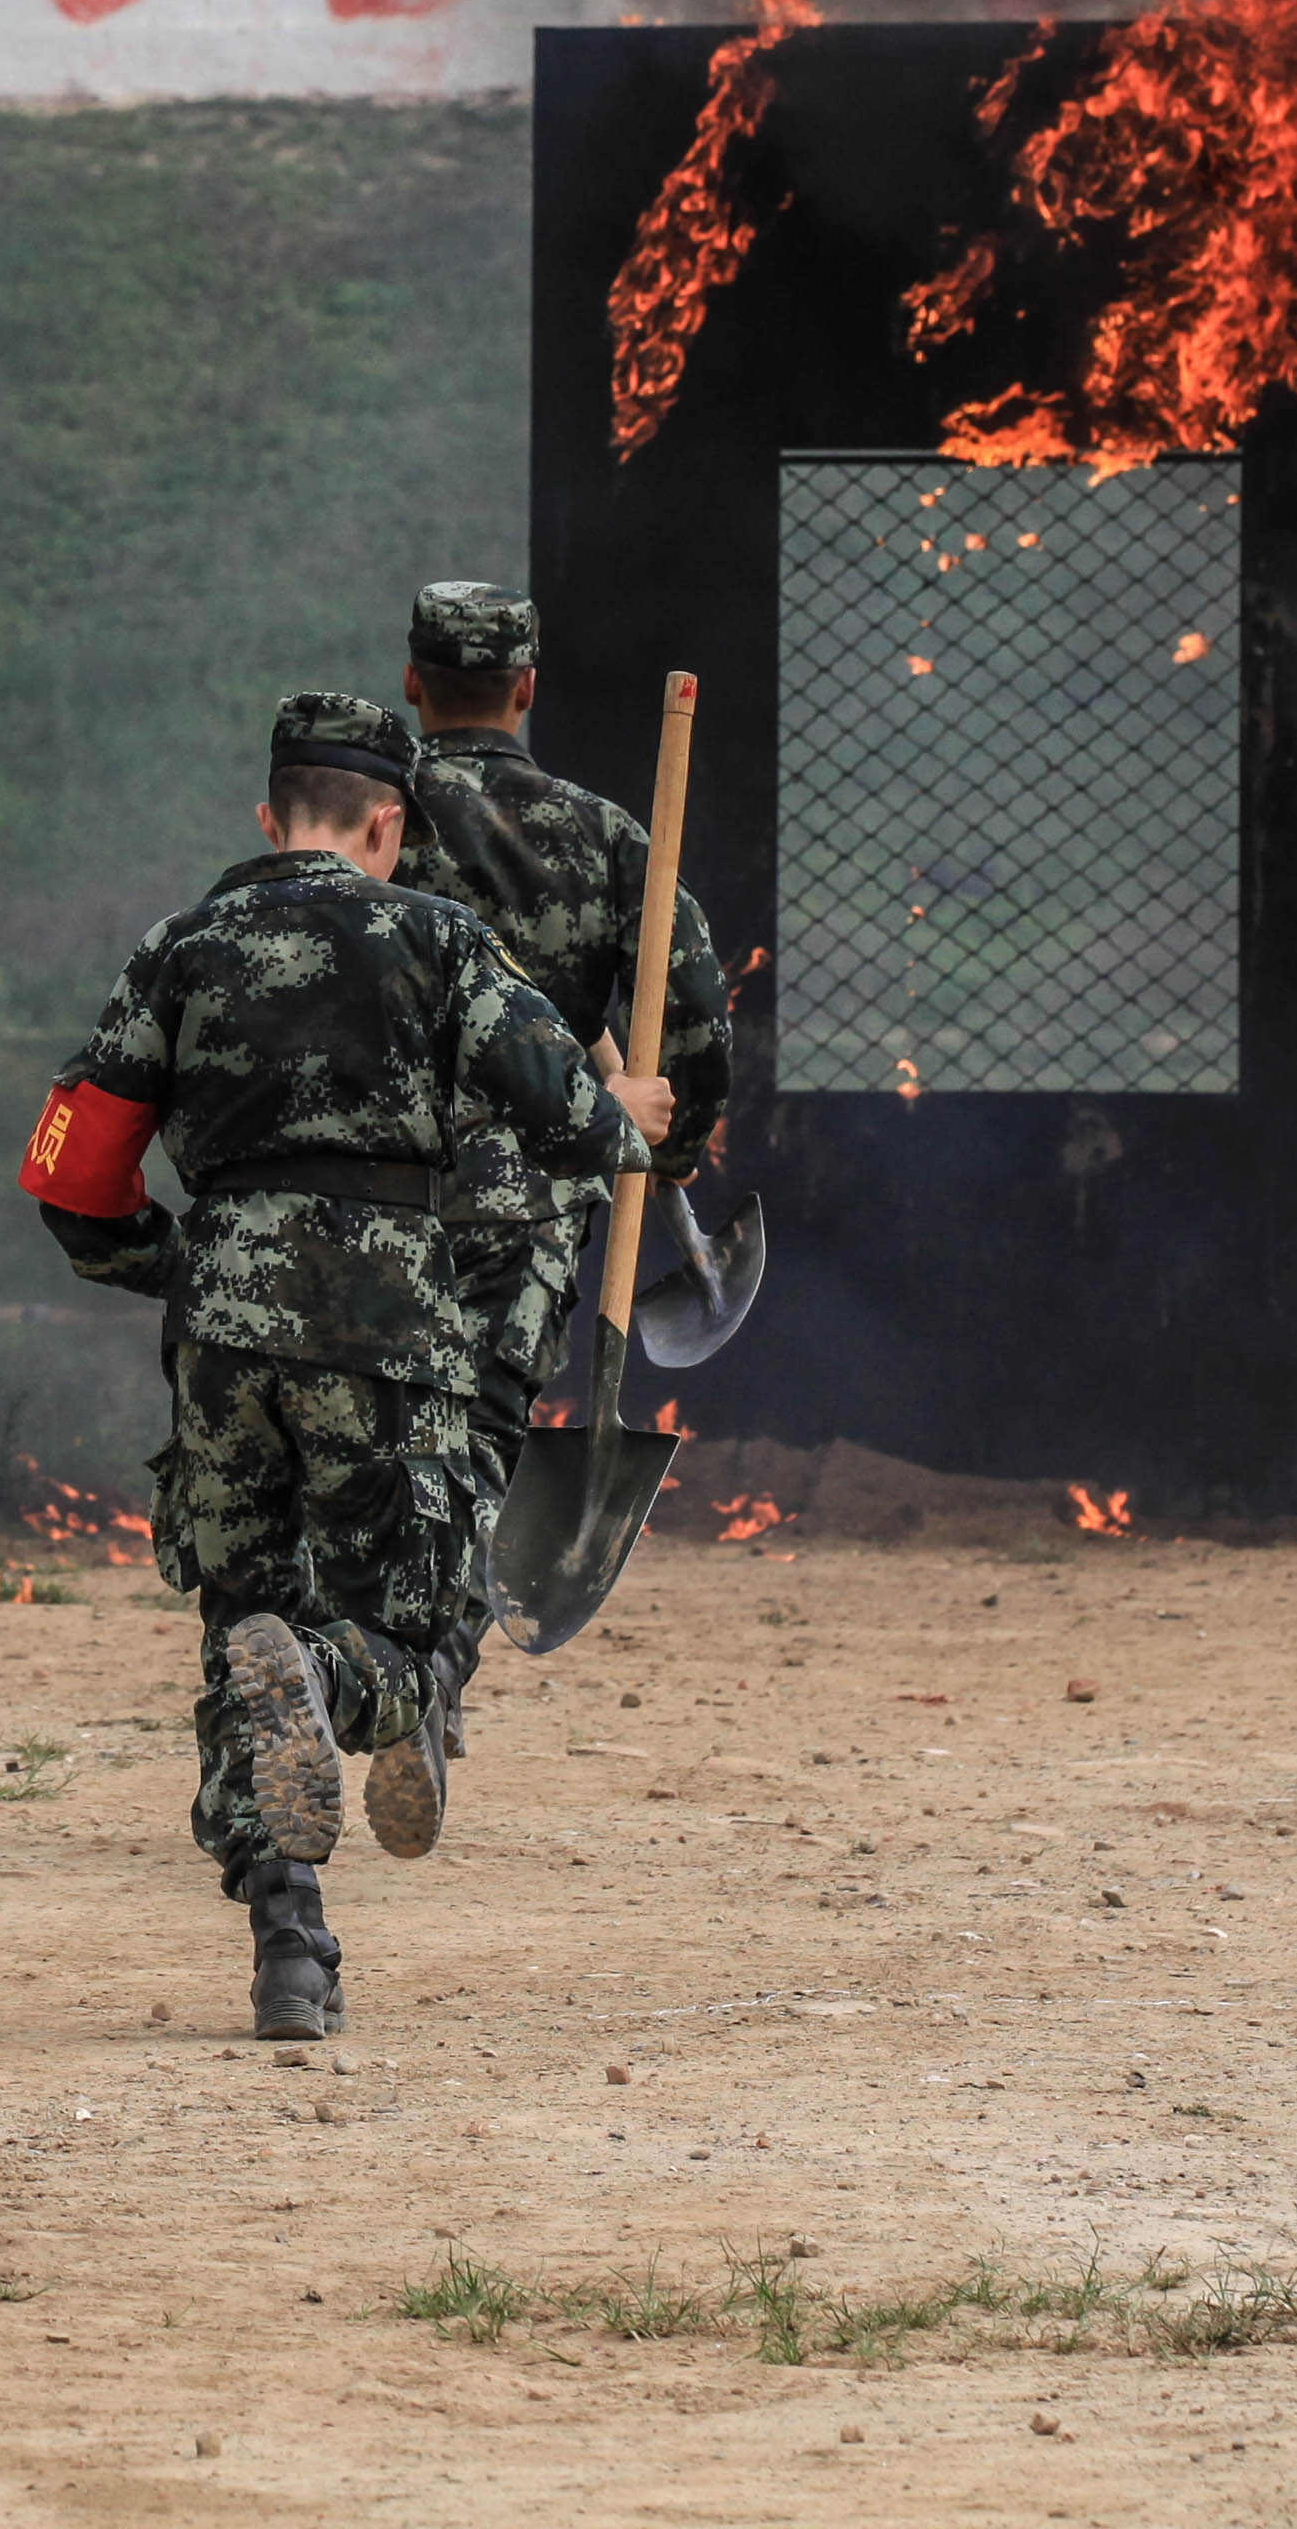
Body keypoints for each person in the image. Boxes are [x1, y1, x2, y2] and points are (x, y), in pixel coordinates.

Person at [21, 692, 669, 2040]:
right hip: (384, 1330)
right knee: (416, 1624)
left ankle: (291, 1948)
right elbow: (565, 1119)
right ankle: (330, 1684)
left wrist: (185, 1266)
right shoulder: (436, 935)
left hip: (222, 1336)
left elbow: (76, 1177)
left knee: (240, 1620)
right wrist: (633, 1119)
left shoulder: (181, 949)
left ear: (269, 818)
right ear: (388, 825)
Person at [386, 578, 733, 1797]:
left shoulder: (367, 826)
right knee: (479, 1433)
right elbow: (687, 1009)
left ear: (415, 681)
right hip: (526, 1200)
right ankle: (430, 1673)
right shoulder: (604, 837)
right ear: (528, 690)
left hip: (363, 1189)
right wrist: (667, 1154)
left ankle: (360, 1658)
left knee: (369, 1429)